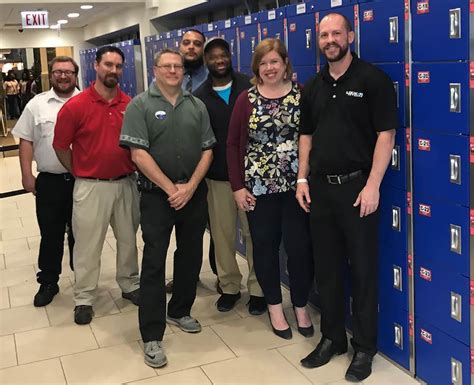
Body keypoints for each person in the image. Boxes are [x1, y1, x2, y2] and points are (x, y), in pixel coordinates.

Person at [296, 13, 397, 382]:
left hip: (358, 190)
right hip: (320, 190)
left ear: (350, 36)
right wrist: (302, 178)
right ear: (318, 41)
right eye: (324, 35)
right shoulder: (313, 85)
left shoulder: (372, 80)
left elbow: (386, 135)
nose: (330, 39)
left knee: (364, 271)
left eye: (336, 32)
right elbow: (305, 135)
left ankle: (365, 348)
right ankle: (332, 338)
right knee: (327, 269)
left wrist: (373, 185)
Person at [120, 48, 216, 368]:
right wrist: (170, 188)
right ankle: (151, 334)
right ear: (155, 70)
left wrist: (189, 187)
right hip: (156, 196)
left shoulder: (196, 105)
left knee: (190, 255)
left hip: (192, 192)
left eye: (177, 66)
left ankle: (180, 310)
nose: (173, 70)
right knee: (154, 261)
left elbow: (207, 151)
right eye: (167, 66)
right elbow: (138, 154)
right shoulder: (140, 105)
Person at [227, 38, 314, 340]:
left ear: (285, 63)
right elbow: (233, 144)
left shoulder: (302, 95)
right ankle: (275, 308)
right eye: (263, 63)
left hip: (296, 188)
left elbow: (311, 135)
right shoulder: (246, 99)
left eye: (274, 61)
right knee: (263, 250)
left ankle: (300, 306)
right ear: (257, 68)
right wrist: (238, 186)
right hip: (258, 190)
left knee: (300, 250)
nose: (269, 68)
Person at [53, 46, 140, 325]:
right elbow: (60, 146)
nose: (113, 70)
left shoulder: (131, 104)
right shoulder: (75, 107)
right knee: (88, 245)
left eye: (118, 66)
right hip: (90, 186)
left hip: (126, 183)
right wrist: (79, 170)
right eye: (108, 65)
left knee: (128, 240)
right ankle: (84, 297)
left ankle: (129, 285)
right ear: (96, 67)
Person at [194, 37, 266, 314]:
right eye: (213, 56)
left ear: (230, 56)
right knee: (222, 237)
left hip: (252, 179)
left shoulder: (250, 86)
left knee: (254, 235)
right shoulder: (199, 97)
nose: (219, 59)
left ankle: (258, 289)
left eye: (223, 54)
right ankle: (230, 286)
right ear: (206, 61)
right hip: (218, 179)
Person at [12, 56, 79, 307]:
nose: (63, 76)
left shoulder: (87, 102)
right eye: (58, 72)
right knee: (50, 233)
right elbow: (26, 140)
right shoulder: (36, 104)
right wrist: (26, 174)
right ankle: (49, 280)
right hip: (50, 182)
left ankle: (83, 280)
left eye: (68, 72)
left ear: (76, 75)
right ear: (50, 75)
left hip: (82, 181)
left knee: (82, 234)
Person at [165, 28, 216, 294]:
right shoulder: (171, 77)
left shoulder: (213, 77)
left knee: (216, 226)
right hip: (182, 167)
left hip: (211, 162)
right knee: (184, 229)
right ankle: (187, 276)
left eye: (197, 44)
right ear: (179, 46)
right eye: (187, 43)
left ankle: (222, 274)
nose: (191, 48)